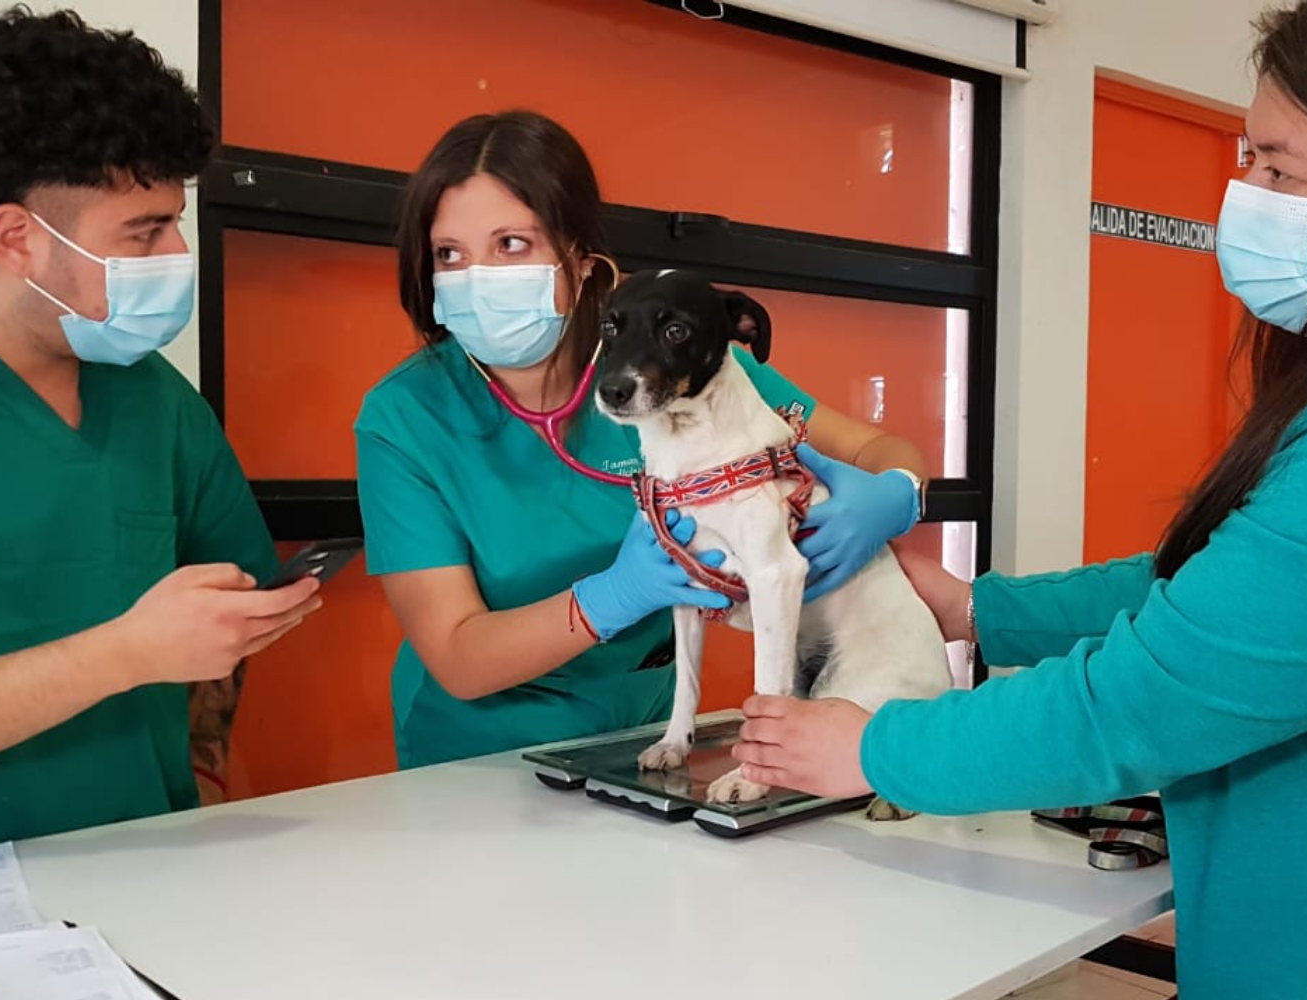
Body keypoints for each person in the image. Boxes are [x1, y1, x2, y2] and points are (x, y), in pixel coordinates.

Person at [733, 0, 1307, 995]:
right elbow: (1228, 587)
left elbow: (1150, 695)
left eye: (1280, 169)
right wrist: (975, 609)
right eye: (1246, 160)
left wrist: (876, 747)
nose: (1245, 196)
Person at [355, 109, 931, 769]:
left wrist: (893, 495)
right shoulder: (406, 416)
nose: (476, 276)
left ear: (578, 257)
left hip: (644, 740)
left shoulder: (686, 370)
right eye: (449, 254)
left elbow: (884, 451)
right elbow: (457, 655)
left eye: (510, 244)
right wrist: (617, 593)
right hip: (479, 760)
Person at [0, 6, 323, 852]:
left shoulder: (150, 396)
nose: (177, 251)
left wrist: (199, 788)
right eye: (144, 231)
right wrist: (125, 653)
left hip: (147, 865)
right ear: (16, 237)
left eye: (176, 219)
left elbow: (219, 628)